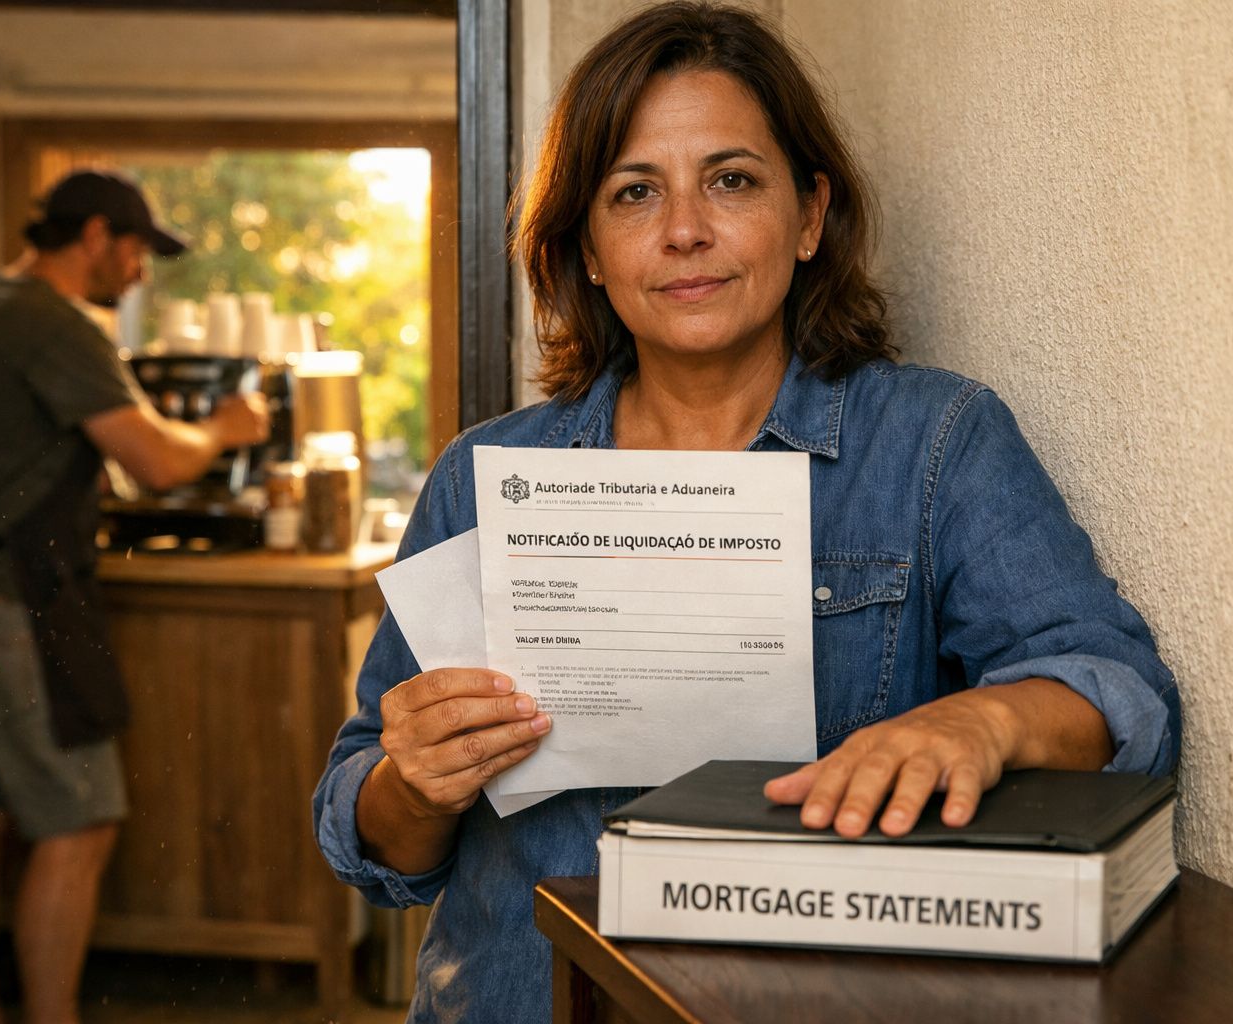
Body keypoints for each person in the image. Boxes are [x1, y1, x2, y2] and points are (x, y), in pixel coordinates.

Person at [313, 4, 1180, 1021]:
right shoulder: (482, 474)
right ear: (587, 247)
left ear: (810, 215)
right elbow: (370, 843)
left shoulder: (933, 441)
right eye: (634, 192)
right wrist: (413, 785)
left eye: (731, 179)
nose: (686, 229)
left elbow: (1124, 694)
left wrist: (986, 718)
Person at [0, 169, 268, 1024]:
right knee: (79, 826)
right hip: (16, 601)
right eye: (137, 252)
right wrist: (226, 431)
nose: (141, 274)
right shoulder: (55, 321)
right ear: (95, 239)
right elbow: (153, 461)